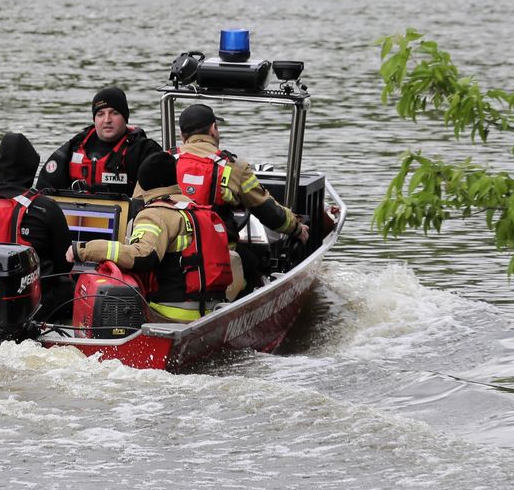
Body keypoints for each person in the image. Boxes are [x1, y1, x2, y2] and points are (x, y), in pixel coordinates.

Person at [71, 151, 243, 322]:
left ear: (143, 182)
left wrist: (83, 250)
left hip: (169, 316)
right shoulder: (194, 209)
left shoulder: (155, 214)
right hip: (209, 313)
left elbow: (142, 255)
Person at [169, 103, 310, 293]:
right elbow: (268, 211)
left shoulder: (164, 160)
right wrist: (297, 227)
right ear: (213, 129)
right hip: (217, 259)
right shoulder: (234, 167)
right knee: (253, 261)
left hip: (170, 257)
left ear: (181, 135)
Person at [0, 132, 73, 320]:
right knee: (71, 286)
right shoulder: (45, 207)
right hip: (34, 308)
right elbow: (65, 265)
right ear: (31, 168)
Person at [38, 86, 163, 198]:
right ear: (94, 119)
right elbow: (44, 189)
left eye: (114, 113)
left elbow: (159, 196)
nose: (107, 120)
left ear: (125, 118)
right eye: (100, 114)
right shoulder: (76, 145)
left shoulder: (144, 150)